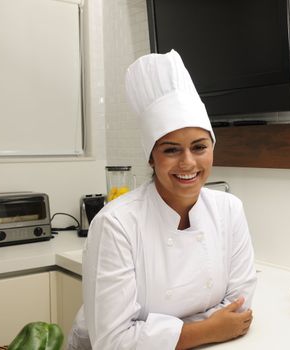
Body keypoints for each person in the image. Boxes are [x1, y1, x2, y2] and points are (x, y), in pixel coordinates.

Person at [67, 50, 257, 350]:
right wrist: (208, 330)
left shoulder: (229, 209)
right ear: (152, 158)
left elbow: (238, 304)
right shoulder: (116, 224)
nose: (188, 162)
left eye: (199, 147)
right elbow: (113, 341)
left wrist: (158, 334)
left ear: (212, 149)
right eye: (171, 150)